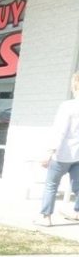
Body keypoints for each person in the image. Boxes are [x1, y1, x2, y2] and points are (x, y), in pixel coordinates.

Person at [38, 71, 79, 225]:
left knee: (51, 186)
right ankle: (77, 213)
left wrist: (49, 152)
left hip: (62, 155)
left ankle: (45, 218)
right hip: (78, 156)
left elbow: (60, 131)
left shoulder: (68, 106)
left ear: (74, 86)